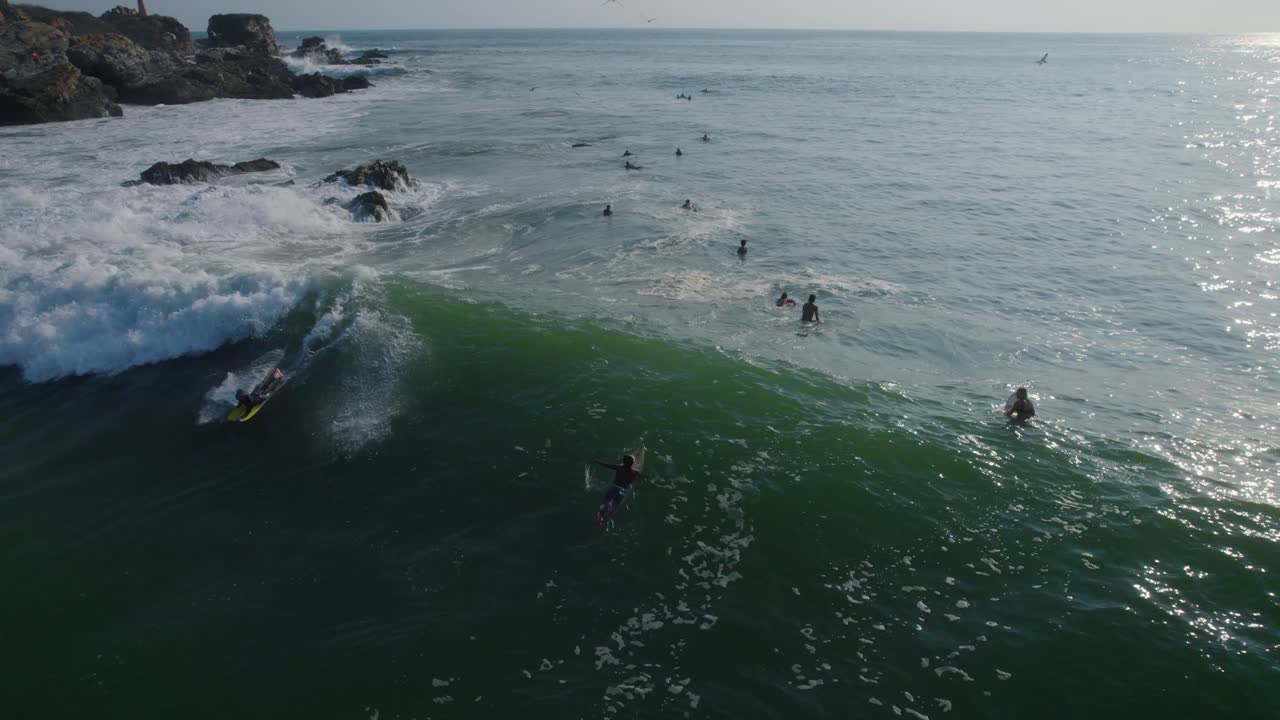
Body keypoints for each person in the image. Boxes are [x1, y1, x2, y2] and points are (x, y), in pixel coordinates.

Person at [593, 454, 641, 522]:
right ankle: (604, 519)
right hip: (622, 491)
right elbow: (639, 478)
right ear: (632, 463)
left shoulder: (619, 467)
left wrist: (597, 461)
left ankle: (599, 516)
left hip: (613, 488)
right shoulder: (636, 472)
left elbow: (607, 465)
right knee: (614, 507)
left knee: (605, 503)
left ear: (624, 462)